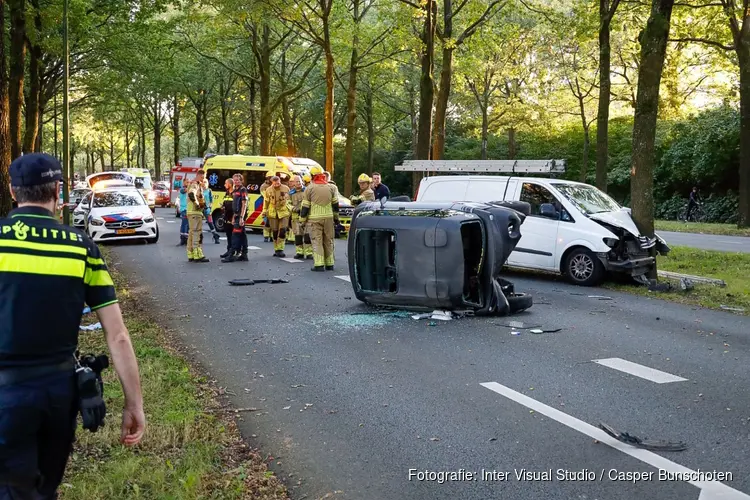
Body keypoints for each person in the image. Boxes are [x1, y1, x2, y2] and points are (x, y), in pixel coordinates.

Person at [0, 153, 145, 498]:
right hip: (58, 393)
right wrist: (133, 404)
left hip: (5, 393)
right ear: (58, 190)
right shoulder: (81, 248)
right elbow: (118, 335)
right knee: (44, 488)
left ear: (12, 190)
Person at [300, 166, 339, 271]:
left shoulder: (310, 188)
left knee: (317, 240)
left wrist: (302, 220)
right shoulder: (332, 187)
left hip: (314, 219)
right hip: (329, 218)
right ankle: (330, 264)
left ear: (312, 176)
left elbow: (305, 207)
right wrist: (336, 218)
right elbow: (335, 205)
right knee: (328, 240)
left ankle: (319, 264)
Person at [262, 175, 291, 258]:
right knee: (274, 231)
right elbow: (266, 202)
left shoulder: (286, 189)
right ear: (272, 183)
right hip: (273, 212)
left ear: (280, 181)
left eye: (278, 183)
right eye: (274, 184)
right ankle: (276, 249)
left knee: (283, 230)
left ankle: (280, 249)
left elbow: (289, 200)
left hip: (283, 212)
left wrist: (289, 209)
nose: (276, 185)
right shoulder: (268, 190)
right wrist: (264, 211)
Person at [222, 173, 249, 263]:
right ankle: (244, 254)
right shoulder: (235, 190)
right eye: (235, 179)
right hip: (236, 215)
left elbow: (244, 204)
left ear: (241, 181)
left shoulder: (243, 190)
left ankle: (232, 255)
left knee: (235, 235)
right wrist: (234, 217)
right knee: (242, 235)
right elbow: (234, 206)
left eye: (238, 179)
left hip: (240, 215)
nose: (236, 181)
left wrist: (241, 217)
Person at [186, 170, 209, 263]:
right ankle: (197, 254)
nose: (203, 179)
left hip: (191, 212)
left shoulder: (194, 184)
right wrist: (197, 204)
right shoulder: (195, 184)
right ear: (198, 175)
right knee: (196, 232)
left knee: (191, 233)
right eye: (202, 177)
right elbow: (191, 194)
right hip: (195, 212)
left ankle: (190, 253)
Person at [289, 175, 313, 260]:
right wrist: (294, 209)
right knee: (298, 236)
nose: (298, 183)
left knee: (307, 235)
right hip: (296, 217)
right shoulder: (291, 193)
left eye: (299, 181)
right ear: (293, 183)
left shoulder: (307, 191)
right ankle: (299, 252)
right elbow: (287, 204)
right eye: (296, 181)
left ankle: (309, 252)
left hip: (307, 217)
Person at [220, 178, 235, 259]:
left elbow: (235, 207)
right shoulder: (227, 193)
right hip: (226, 217)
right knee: (228, 235)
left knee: (233, 236)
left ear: (230, 184)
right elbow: (225, 202)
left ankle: (232, 252)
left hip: (232, 217)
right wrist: (222, 207)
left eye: (226, 183)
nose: (224, 185)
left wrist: (233, 218)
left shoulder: (234, 193)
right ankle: (228, 250)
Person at [202, 178, 220, 244]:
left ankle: (215, 236)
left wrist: (209, 207)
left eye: (205, 182)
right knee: (198, 223)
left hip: (206, 209)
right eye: (203, 182)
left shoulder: (209, 191)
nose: (203, 184)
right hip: (199, 208)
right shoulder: (199, 190)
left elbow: (211, 200)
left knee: (210, 222)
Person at [259, 171, 273, 242]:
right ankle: (266, 236)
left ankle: (272, 237)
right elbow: (265, 196)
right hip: (267, 207)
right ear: (268, 178)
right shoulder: (263, 186)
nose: (272, 179)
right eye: (271, 177)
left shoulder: (275, 186)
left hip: (274, 207)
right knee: (267, 223)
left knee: (273, 223)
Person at [178, 181, 189, 246]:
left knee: (187, 224)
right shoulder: (182, 189)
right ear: (184, 183)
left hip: (188, 209)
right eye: (186, 182)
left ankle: (185, 238)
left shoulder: (188, 189)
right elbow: (185, 190)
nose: (188, 183)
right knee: (184, 224)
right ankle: (183, 239)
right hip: (184, 209)